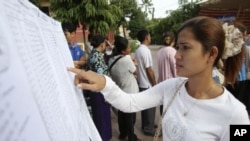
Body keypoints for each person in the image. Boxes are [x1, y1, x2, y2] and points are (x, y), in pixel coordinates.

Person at [68, 16, 250, 141]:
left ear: (211, 54)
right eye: (177, 47)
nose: (177, 55)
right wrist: (104, 83)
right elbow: (130, 103)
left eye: (185, 48)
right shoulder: (173, 87)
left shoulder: (237, 114)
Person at [108, 36, 141, 141]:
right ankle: (131, 137)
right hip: (130, 92)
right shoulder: (126, 60)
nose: (130, 49)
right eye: (128, 48)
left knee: (122, 114)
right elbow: (136, 72)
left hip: (120, 91)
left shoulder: (111, 59)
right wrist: (135, 64)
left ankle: (122, 134)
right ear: (122, 50)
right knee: (131, 117)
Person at [86, 34, 112, 141]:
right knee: (103, 119)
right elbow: (102, 78)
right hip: (100, 92)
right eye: (105, 44)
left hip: (94, 90)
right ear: (102, 45)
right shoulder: (98, 57)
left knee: (98, 117)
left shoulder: (93, 54)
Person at [135, 29, 157, 136]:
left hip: (141, 82)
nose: (150, 38)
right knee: (150, 107)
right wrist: (154, 83)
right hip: (147, 83)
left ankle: (147, 125)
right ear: (147, 37)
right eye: (149, 36)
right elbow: (149, 69)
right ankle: (149, 128)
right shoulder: (145, 51)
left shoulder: (138, 50)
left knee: (144, 106)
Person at [157, 31, 177, 115]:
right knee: (171, 109)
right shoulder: (172, 51)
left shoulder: (160, 51)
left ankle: (163, 125)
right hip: (171, 84)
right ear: (173, 40)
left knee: (163, 106)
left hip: (162, 83)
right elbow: (175, 69)